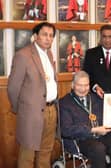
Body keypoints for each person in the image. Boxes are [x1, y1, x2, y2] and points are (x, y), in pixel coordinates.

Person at [7, 22, 58, 168]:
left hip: (51, 110)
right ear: (35, 36)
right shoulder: (23, 55)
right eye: (44, 35)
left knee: (45, 152)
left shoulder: (49, 53)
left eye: (51, 36)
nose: (48, 39)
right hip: (31, 113)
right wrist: (21, 109)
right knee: (27, 154)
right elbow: (13, 87)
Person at [59, 70, 111, 168]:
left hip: (102, 134)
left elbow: (109, 115)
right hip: (81, 139)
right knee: (98, 149)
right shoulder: (65, 103)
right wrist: (92, 130)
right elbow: (66, 130)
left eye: (86, 85)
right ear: (72, 85)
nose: (83, 89)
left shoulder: (96, 98)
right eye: (79, 85)